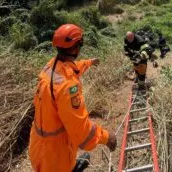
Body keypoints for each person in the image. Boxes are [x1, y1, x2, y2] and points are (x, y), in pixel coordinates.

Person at [29, 24, 117, 172]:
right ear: (77, 47)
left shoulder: (51, 66)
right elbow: (83, 133)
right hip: (57, 157)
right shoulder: (68, 87)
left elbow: (73, 68)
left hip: (39, 147)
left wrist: (89, 62)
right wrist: (107, 138)